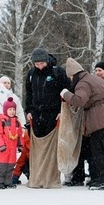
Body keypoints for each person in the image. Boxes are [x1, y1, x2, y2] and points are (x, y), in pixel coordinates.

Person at [61, 59, 104, 191]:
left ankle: (102, 179)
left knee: (98, 149)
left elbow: (79, 100)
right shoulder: (94, 78)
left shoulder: (82, 84)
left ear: (74, 74)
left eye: (71, 77)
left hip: (99, 117)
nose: (71, 80)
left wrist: (65, 93)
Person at [25, 48, 71, 189]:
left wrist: (63, 111)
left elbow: (66, 93)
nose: (39, 66)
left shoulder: (57, 72)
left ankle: (50, 178)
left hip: (53, 113)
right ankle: (37, 178)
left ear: (47, 61)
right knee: (37, 147)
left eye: (41, 63)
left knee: (52, 147)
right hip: (37, 114)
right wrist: (28, 110)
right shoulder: (31, 74)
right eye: (36, 64)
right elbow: (29, 93)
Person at [0, 97, 23, 190]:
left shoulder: (17, 123)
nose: (12, 111)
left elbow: (19, 135)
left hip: (12, 149)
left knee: (10, 166)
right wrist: (1, 145)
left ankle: (8, 181)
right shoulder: (1, 122)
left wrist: (20, 145)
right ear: (5, 110)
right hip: (3, 149)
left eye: (13, 109)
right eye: (10, 109)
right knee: (1, 167)